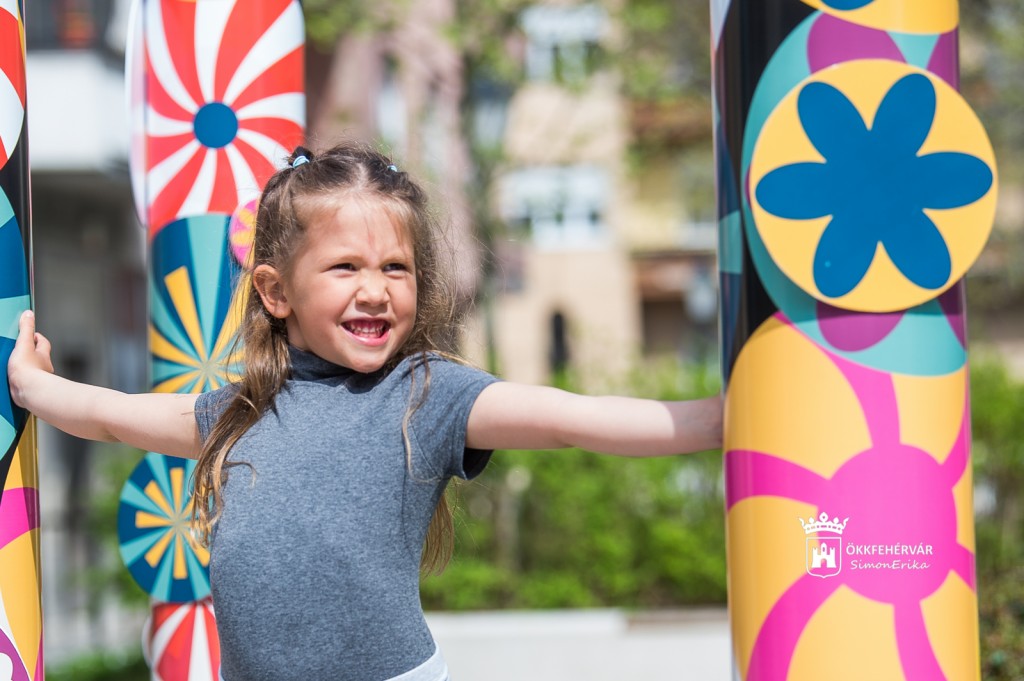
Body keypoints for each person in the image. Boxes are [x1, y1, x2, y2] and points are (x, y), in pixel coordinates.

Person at [7, 142, 723, 681]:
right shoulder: (240, 411)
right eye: (346, 267)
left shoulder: (427, 394)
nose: (375, 290)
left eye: (395, 268)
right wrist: (35, 386)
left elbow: (571, 417)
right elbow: (112, 415)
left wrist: (716, 418)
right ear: (276, 291)